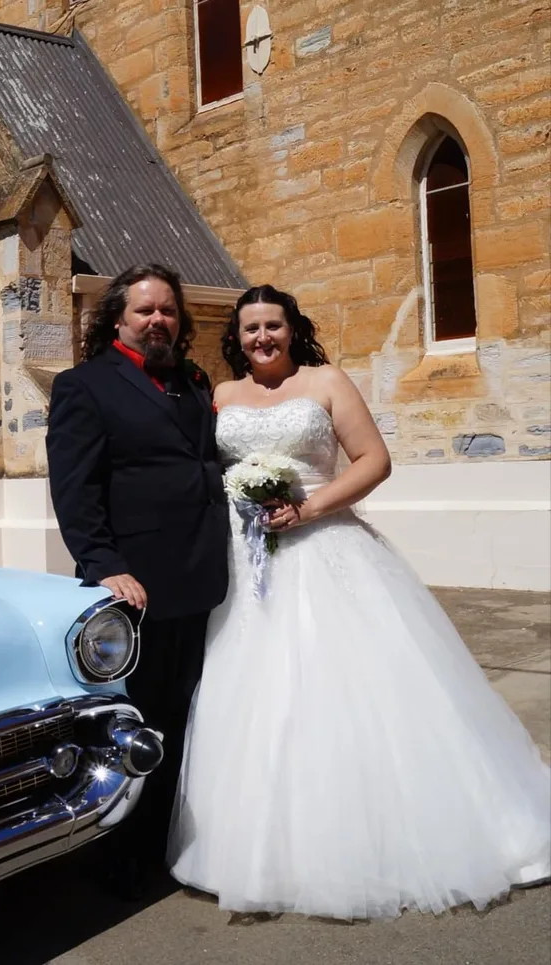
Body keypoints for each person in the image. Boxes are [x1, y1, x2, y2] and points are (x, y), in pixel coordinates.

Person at [168, 284, 550, 919]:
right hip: (245, 561)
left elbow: (375, 459)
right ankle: (260, 847)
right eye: (250, 329)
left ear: (293, 329)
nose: (262, 337)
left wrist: (309, 507)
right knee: (255, 695)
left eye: (273, 326)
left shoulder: (327, 382)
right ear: (235, 338)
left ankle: (383, 838)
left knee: (346, 690)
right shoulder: (221, 397)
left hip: (326, 548)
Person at [46, 264, 230, 893]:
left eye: (168, 311)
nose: (159, 320)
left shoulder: (195, 381)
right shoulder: (84, 386)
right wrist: (103, 565)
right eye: (146, 310)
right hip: (138, 583)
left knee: (190, 710)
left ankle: (176, 836)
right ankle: (123, 852)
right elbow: (75, 489)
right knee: (137, 718)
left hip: (205, 573)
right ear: (118, 317)